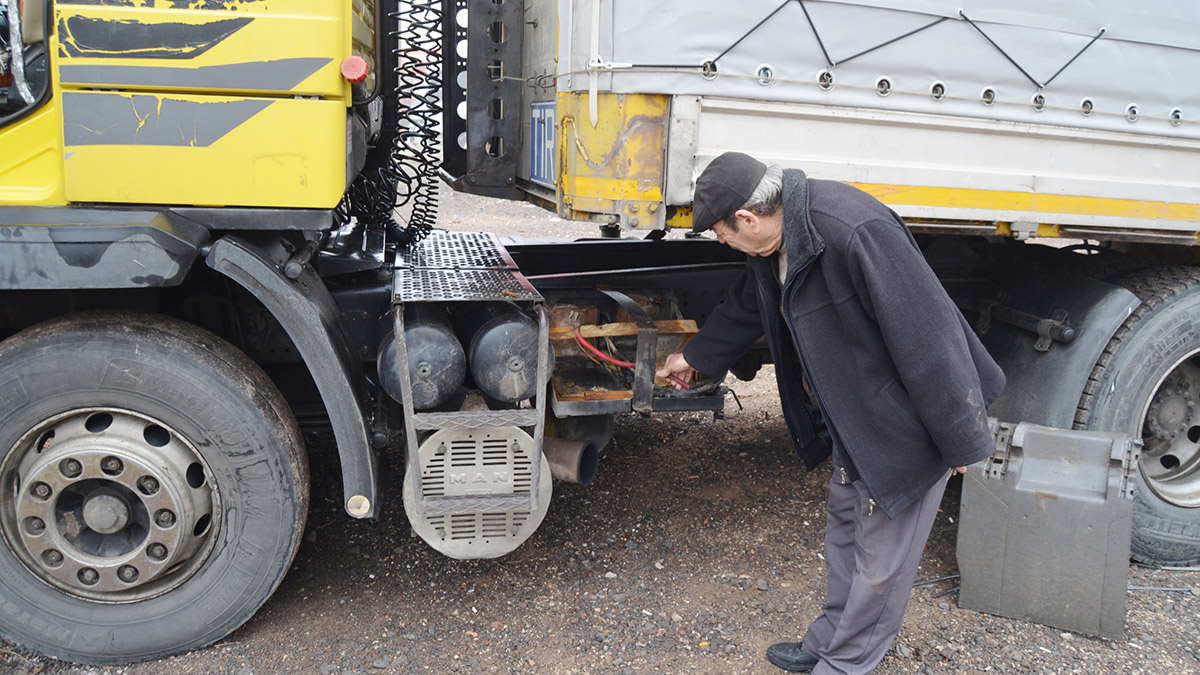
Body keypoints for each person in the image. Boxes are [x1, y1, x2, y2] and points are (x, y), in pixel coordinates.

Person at [656, 152, 1005, 674]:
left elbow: (932, 339)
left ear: (747, 219)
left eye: (721, 234)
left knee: (881, 567)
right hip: (855, 416)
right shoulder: (778, 236)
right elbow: (747, 304)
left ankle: (844, 665)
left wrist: (962, 440)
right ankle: (828, 641)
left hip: (908, 426)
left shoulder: (852, 229)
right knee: (845, 532)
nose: (722, 243)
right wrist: (696, 356)